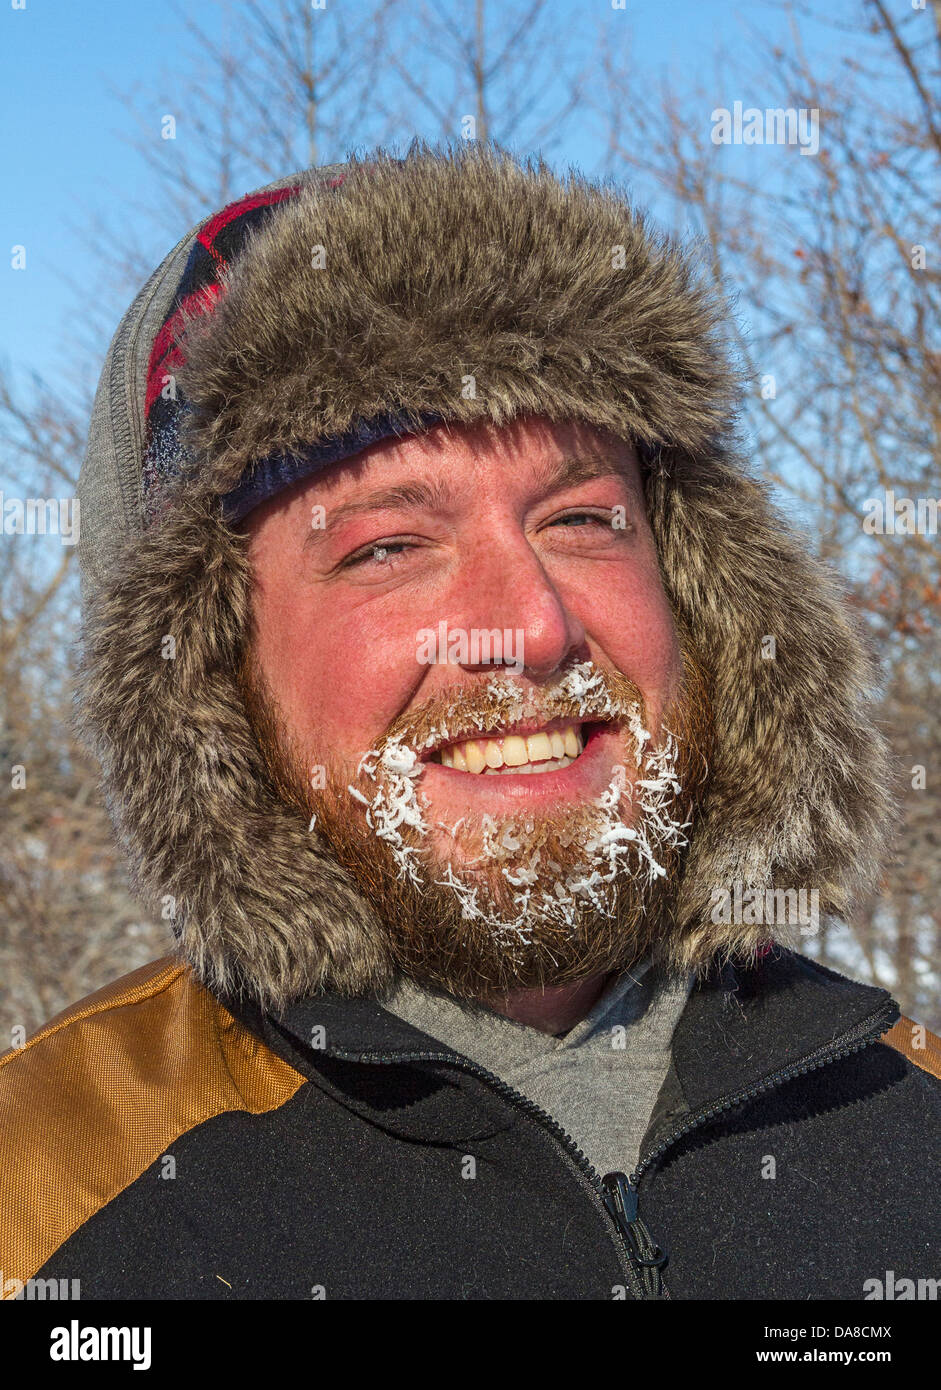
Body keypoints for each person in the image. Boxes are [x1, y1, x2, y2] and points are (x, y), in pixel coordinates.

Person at [2, 144, 938, 1301]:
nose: (530, 628)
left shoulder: (903, 1110)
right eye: (388, 543)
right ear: (205, 670)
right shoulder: (44, 1208)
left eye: (584, 518)